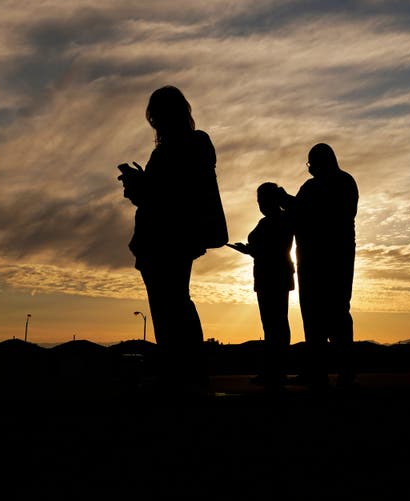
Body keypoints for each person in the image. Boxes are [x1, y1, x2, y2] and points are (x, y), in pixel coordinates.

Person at [123, 86, 227, 390]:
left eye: (156, 116)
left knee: (170, 307)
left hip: (165, 239)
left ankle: (182, 373)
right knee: (175, 304)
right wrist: (141, 185)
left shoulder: (179, 148)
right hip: (173, 239)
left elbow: (166, 195)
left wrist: (138, 185)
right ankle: (186, 371)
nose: (154, 122)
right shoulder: (194, 145)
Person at [287, 143, 358, 389]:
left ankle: (345, 370)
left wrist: (290, 202)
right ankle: (317, 371)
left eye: (312, 163)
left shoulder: (343, 182)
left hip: (334, 259)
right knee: (313, 316)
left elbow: (333, 214)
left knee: (337, 313)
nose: (310, 169)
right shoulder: (310, 187)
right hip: (309, 259)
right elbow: (297, 216)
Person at [228, 182, 295, 388]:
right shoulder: (278, 220)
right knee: (275, 324)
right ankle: (275, 370)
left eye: (261, 201)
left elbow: (272, 250)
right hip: (273, 275)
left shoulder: (280, 221)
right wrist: (250, 250)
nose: (259, 205)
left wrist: (250, 250)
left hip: (272, 275)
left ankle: (276, 372)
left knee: (275, 325)